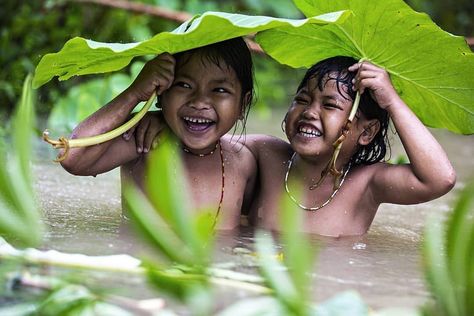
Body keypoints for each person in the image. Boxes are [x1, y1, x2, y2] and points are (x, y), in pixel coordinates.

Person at [132, 56, 456, 236]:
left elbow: (439, 179)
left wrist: (392, 101)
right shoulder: (267, 154)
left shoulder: (368, 184)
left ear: (367, 131)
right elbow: (205, 139)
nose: (309, 112)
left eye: (329, 106)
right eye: (302, 99)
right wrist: (167, 121)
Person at [59, 38, 257, 230]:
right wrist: (135, 93)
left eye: (219, 90)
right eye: (184, 85)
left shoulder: (244, 163)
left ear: (243, 104)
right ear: (160, 93)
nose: (199, 102)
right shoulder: (145, 140)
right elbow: (72, 157)